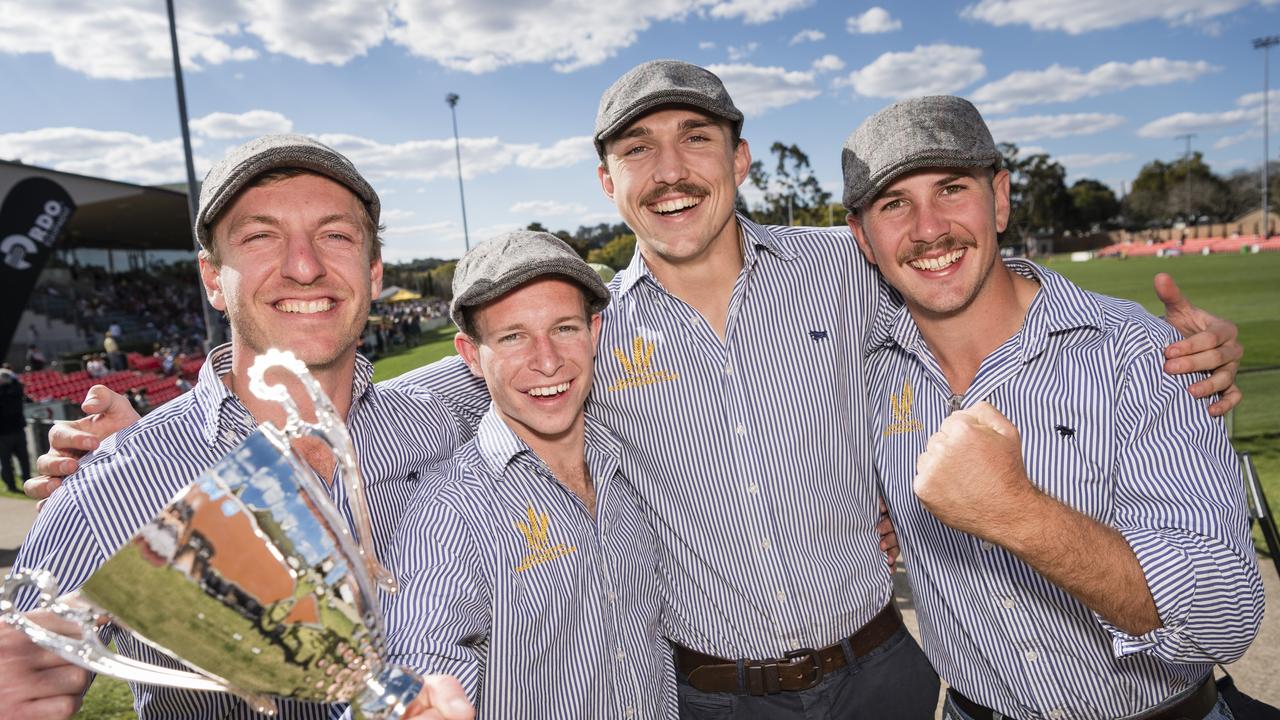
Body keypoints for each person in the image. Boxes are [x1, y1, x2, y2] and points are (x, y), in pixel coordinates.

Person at [28, 63, 1247, 720]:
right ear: (606, 180)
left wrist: (1144, 345)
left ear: (733, 154)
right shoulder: (584, 339)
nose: (669, 173)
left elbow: (957, 268)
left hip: (885, 672)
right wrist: (157, 447)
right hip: (711, 697)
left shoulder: (847, 267)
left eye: (693, 143)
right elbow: (483, 392)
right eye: (636, 152)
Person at [2, 135, 473, 720]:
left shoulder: (437, 421)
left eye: (335, 235)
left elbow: (572, 351)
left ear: (374, 272)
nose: (304, 266)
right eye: (259, 236)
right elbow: (27, 662)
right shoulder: (110, 485)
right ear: (212, 278)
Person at [843, 96, 1263, 720]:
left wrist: (1017, 513)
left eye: (952, 188)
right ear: (864, 238)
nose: (929, 229)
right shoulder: (862, 365)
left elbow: (1225, 616)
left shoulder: (1134, 350)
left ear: (1002, 198)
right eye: (894, 204)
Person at [384, 230, 675, 718]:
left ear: (595, 331)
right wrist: (418, 697)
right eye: (513, 337)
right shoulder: (450, 512)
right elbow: (419, 647)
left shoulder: (630, 464)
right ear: (471, 354)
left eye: (563, 328)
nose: (547, 361)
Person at [0, 368, 30, 493]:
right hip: (16, 431)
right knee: (23, 460)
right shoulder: (16, 390)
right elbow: (18, 385)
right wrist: (13, 379)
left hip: (4, 434)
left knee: (6, 463)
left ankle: (11, 486)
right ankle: (27, 482)